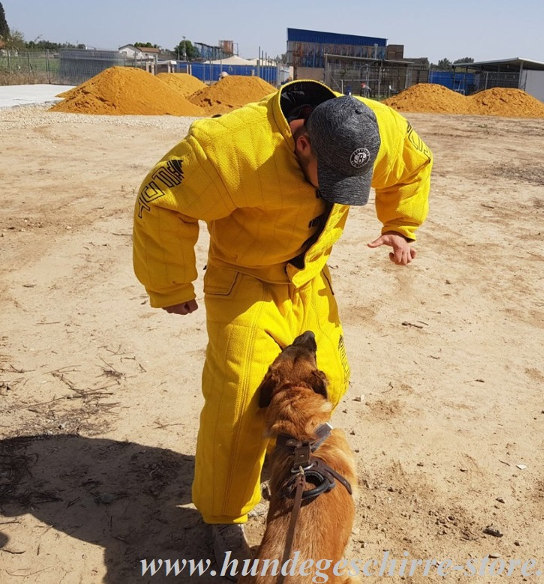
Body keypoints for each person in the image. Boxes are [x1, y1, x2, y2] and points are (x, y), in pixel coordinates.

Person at [132, 79, 432, 573]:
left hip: (309, 279)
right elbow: (160, 197)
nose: (335, 193)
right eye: (327, 176)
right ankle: (224, 517)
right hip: (244, 279)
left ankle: (294, 471)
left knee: (326, 378)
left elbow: (415, 166)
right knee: (242, 397)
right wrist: (170, 283)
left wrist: (399, 223)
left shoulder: (381, 130)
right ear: (303, 142)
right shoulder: (229, 149)